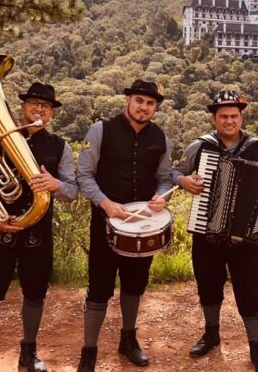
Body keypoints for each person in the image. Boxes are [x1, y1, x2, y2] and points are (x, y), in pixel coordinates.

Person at [0, 82, 78, 372]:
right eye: (33, 103)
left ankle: (28, 354)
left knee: (35, 293)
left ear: (52, 112)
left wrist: (56, 185)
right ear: (23, 107)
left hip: (37, 234)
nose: (39, 109)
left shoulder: (60, 147)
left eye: (45, 106)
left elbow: (72, 190)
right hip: (0, 229)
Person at [174, 90, 258, 372]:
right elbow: (173, 173)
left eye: (234, 116)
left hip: (247, 236)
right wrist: (183, 180)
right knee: (208, 284)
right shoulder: (200, 147)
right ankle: (211, 333)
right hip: (206, 233)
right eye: (224, 116)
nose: (229, 121)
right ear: (214, 119)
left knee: (249, 291)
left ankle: (257, 349)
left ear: (241, 117)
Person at [75, 79, 173, 371]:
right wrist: (105, 204)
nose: (144, 107)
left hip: (143, 225)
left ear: (155, 108)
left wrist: (160, 197)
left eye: (150, 103)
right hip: (106, 222)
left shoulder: (161, 137)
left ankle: (128, 340)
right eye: (139, 101)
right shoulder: (101, 129)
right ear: (127, 101)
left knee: (135, 284)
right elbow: (84, 175)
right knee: (99, 287)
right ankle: (89, 350)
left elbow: (165, 178)